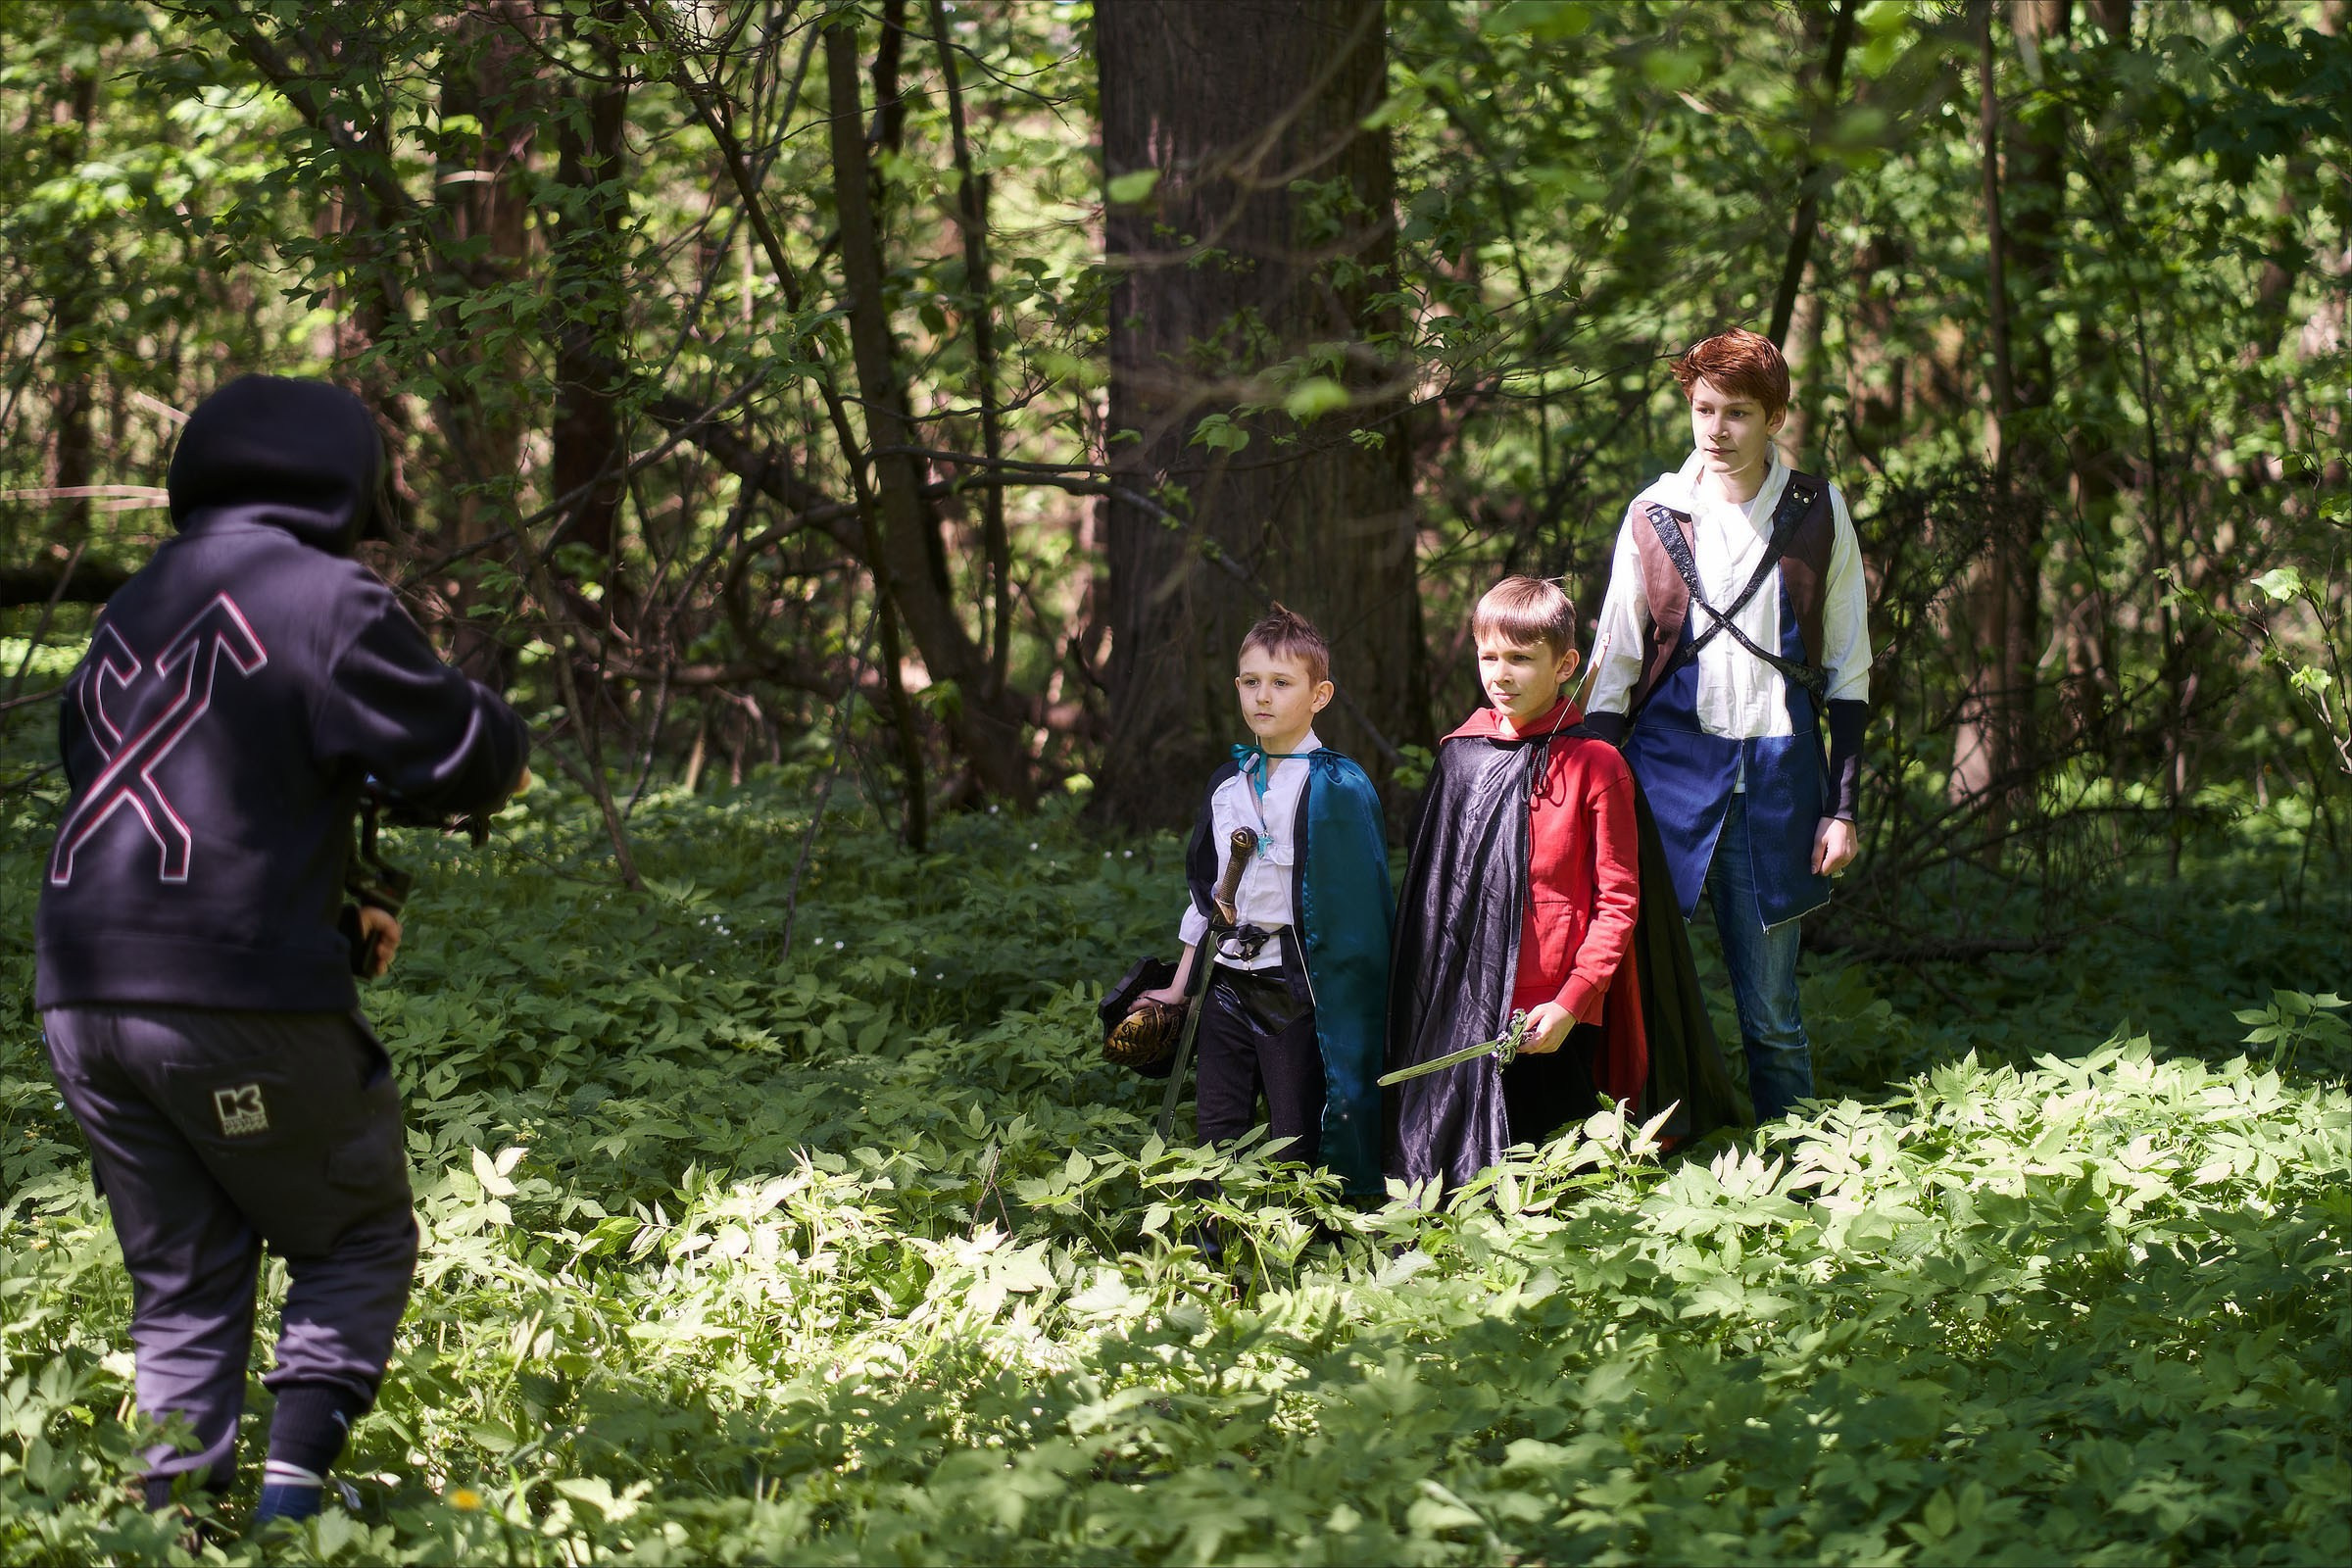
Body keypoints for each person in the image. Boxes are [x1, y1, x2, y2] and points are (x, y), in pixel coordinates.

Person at [34, 374, 531, 1526]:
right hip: (230, 995)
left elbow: (148, 783)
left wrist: (341, 886)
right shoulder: (327, 598)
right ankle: (296, 1511)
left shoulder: (135, 604)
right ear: (349, 484)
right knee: (355, 1234)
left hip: (83, 996)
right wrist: (501, 743)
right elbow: (460, 751)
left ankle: (174, 1522)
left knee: (185, 1275)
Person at [1583, 327, 1873, 1123]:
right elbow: (1614, 667)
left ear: (1775, 418)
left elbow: (1848, 667)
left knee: (1772, 1017)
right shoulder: (1653, 514)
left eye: (1737, 412)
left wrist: (1843, 806)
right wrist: (1593, 803)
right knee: (1639, 999)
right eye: (1703, 409)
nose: (1716, 430)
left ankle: (1800, 1168)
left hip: (1778, 787)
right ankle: (1642, 1160)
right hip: (1661, 788)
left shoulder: (1818, 510)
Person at [1387, 577, 1739, 1191]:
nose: (1501, 674)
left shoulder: (1597, 765)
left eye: (1521, 658)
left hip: (1556, 1012)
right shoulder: (1460, 758)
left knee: (1559, 1181)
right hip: (1469, 1008)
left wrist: (1572, 1003)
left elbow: (1618, 903)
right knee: (1463, 1185)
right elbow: (1438, 901)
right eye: (1489, 657)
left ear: (1565, 664)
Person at [1128, 606, 1393, 1200]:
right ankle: (1212, 1242)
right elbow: (1207, 897)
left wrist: (1348, 1010)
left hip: (1295, 988)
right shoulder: (1229, 783)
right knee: (1215, 1130)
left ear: (1319, 695)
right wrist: (1179, 987)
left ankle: (1300, 1239)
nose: (1263, 696)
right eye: (1251, 681)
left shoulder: (1336, 786)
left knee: (1295, 1137)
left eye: (1281, 682)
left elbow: (1357, 917)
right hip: (1225, 982)